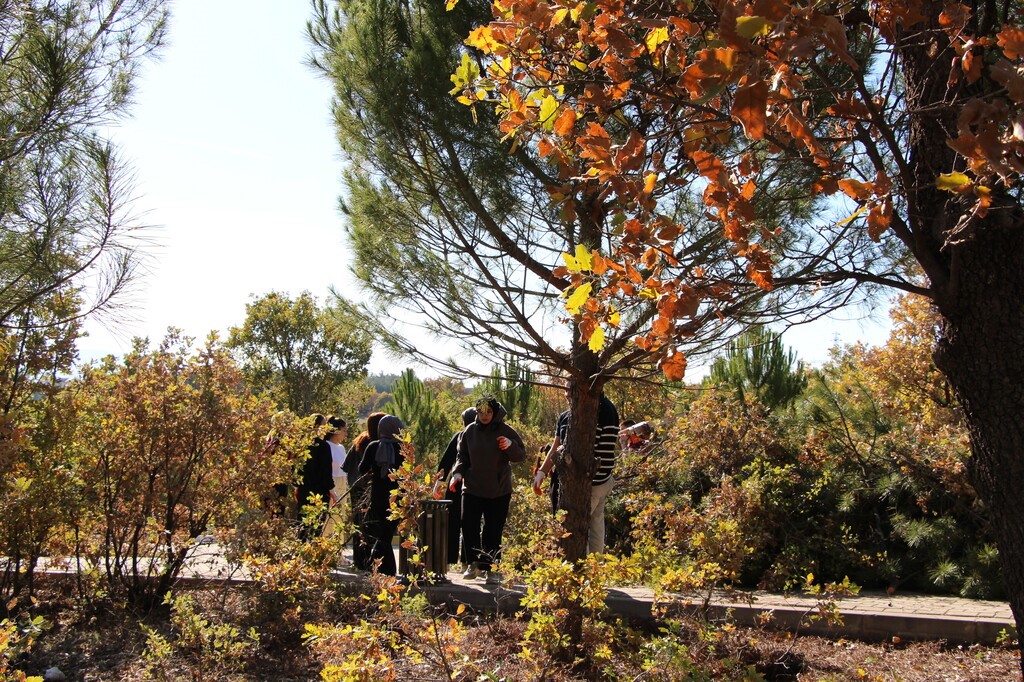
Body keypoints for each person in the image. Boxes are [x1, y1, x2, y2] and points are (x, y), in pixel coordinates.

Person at [449, 396, 526, 584]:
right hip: (472, 487)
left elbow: (520, 455)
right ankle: (473, 564)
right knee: (469, 525)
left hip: (498, 489)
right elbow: (462, 457)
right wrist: (457, 474)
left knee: (493, 529)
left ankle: (491, 568)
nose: (484, 416)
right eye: (480, 412)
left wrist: (510, 446)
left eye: (488, 412)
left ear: (495, 412)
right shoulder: (469, 431)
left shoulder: (505, 430)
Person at [533, 388, 620, 554]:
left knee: (577, 528)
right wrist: (542, 472)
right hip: (603, 479)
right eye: (566, 390)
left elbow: (588, 448)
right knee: (596, 525)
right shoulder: (567, 416)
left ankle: (581, 572)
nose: (567, 394)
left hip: (590, 481)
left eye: (572, 389)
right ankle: (596, 567)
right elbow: (555, 446)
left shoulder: (596, 410)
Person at [358, 413, 406, 576]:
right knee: (386, 534)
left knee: (382, 534)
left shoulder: (373, 447)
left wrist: (375, 469)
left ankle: (378, 566)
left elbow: (361, 468)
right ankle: (384, 570)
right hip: (398, 496)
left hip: (378, 496)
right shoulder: (403, 448)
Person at [434, 407, 476, 569]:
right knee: (469, 523)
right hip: (473, 485)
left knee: (453, 523)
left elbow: (445, 462)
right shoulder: (480, 437)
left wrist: (439, 483)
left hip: (456, 485)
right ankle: (467, 561)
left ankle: (450, 559)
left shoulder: (459, 436)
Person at [345, 412, 385, 571]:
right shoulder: (377, 444)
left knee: (358, 525)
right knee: (372, 526)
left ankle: (359, 560)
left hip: (356, 488)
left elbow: (347, 466)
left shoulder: (359, 441)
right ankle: (372, 562)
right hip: (370, 489)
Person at [297, 413, 333, 540]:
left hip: (303, 489)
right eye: (323, 425)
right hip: (320, 491)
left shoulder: (300, 445)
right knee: (317, 526)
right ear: (316, 426)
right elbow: (326, 470)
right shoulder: (323, 446)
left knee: (302, 524)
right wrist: (330, 488)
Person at [322, 416, 349, 546]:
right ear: (336, 430)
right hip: (331, 482)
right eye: (344, 430)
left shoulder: (342, 447)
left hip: (342, 482)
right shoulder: (326, 446)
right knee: (329, 516)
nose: (346, 433)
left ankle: (338, 548)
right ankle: (325, 546)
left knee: (340, 517)